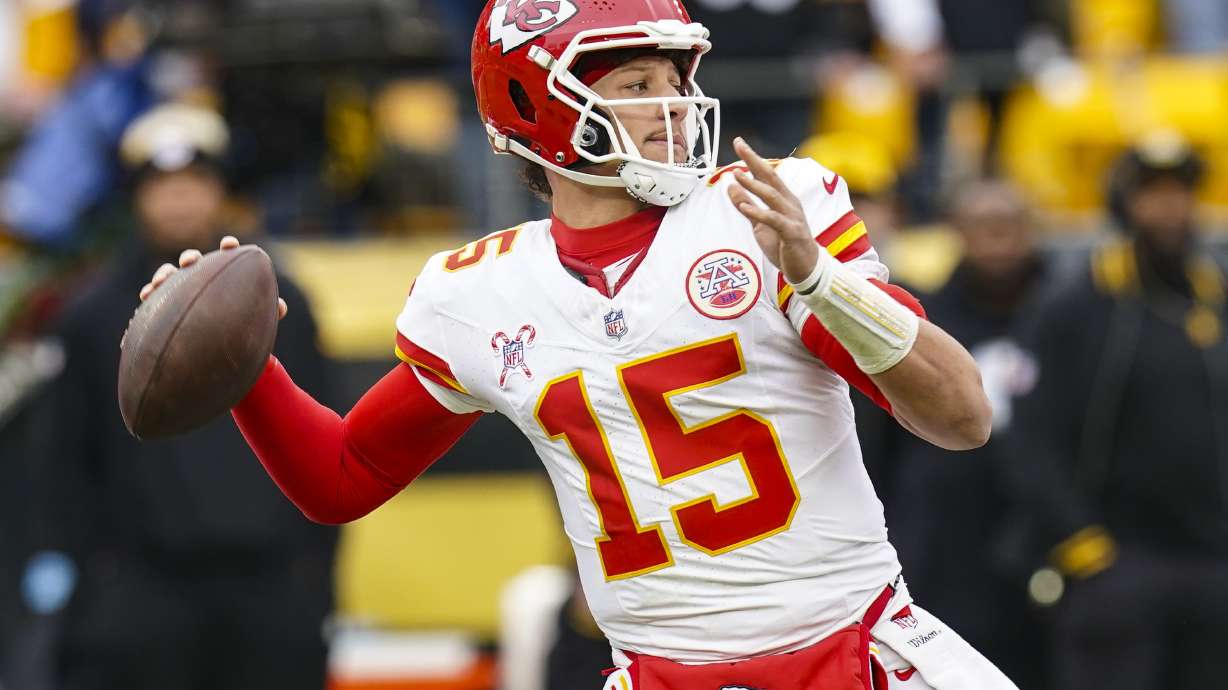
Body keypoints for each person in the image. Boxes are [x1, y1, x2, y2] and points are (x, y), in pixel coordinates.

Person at [145, 2, 1012, 688]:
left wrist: (822, 278)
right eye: (637, 81)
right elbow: (340, 478)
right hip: (657, 673)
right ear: (535, 107)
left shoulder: (768, 211)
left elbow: (962, 416)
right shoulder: (480, 293)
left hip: (851, 649)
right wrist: (242, 367)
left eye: (676, 78)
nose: (673, 106)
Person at [24, 104, 337, 690]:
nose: (179, 200)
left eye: (194, 181)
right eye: (161, 185)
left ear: (220, 189)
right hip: (143, 590)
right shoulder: (88, 313)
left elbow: (326, 436)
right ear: (135, 196)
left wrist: (315, 577)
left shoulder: (283, 304)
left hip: (266, 586)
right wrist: (87, 578)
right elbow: (63, 455)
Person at [1006, 133, 1228, 690]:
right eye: (1152, 193)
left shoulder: (1215, 297)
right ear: (1123, 203)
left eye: (1181, 192)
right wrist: (1083, 545)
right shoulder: (1075, 306)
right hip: (1118, 567)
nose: (1169, 208)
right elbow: (1030, 438)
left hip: (1213, 565)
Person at [887, 180, 1048, 689]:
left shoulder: (1069, 310)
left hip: (1048, 525)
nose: (997, 242)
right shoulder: (926, 316)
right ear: (957, 234)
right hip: (948, 535)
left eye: (1009, 227)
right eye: (983, 228)